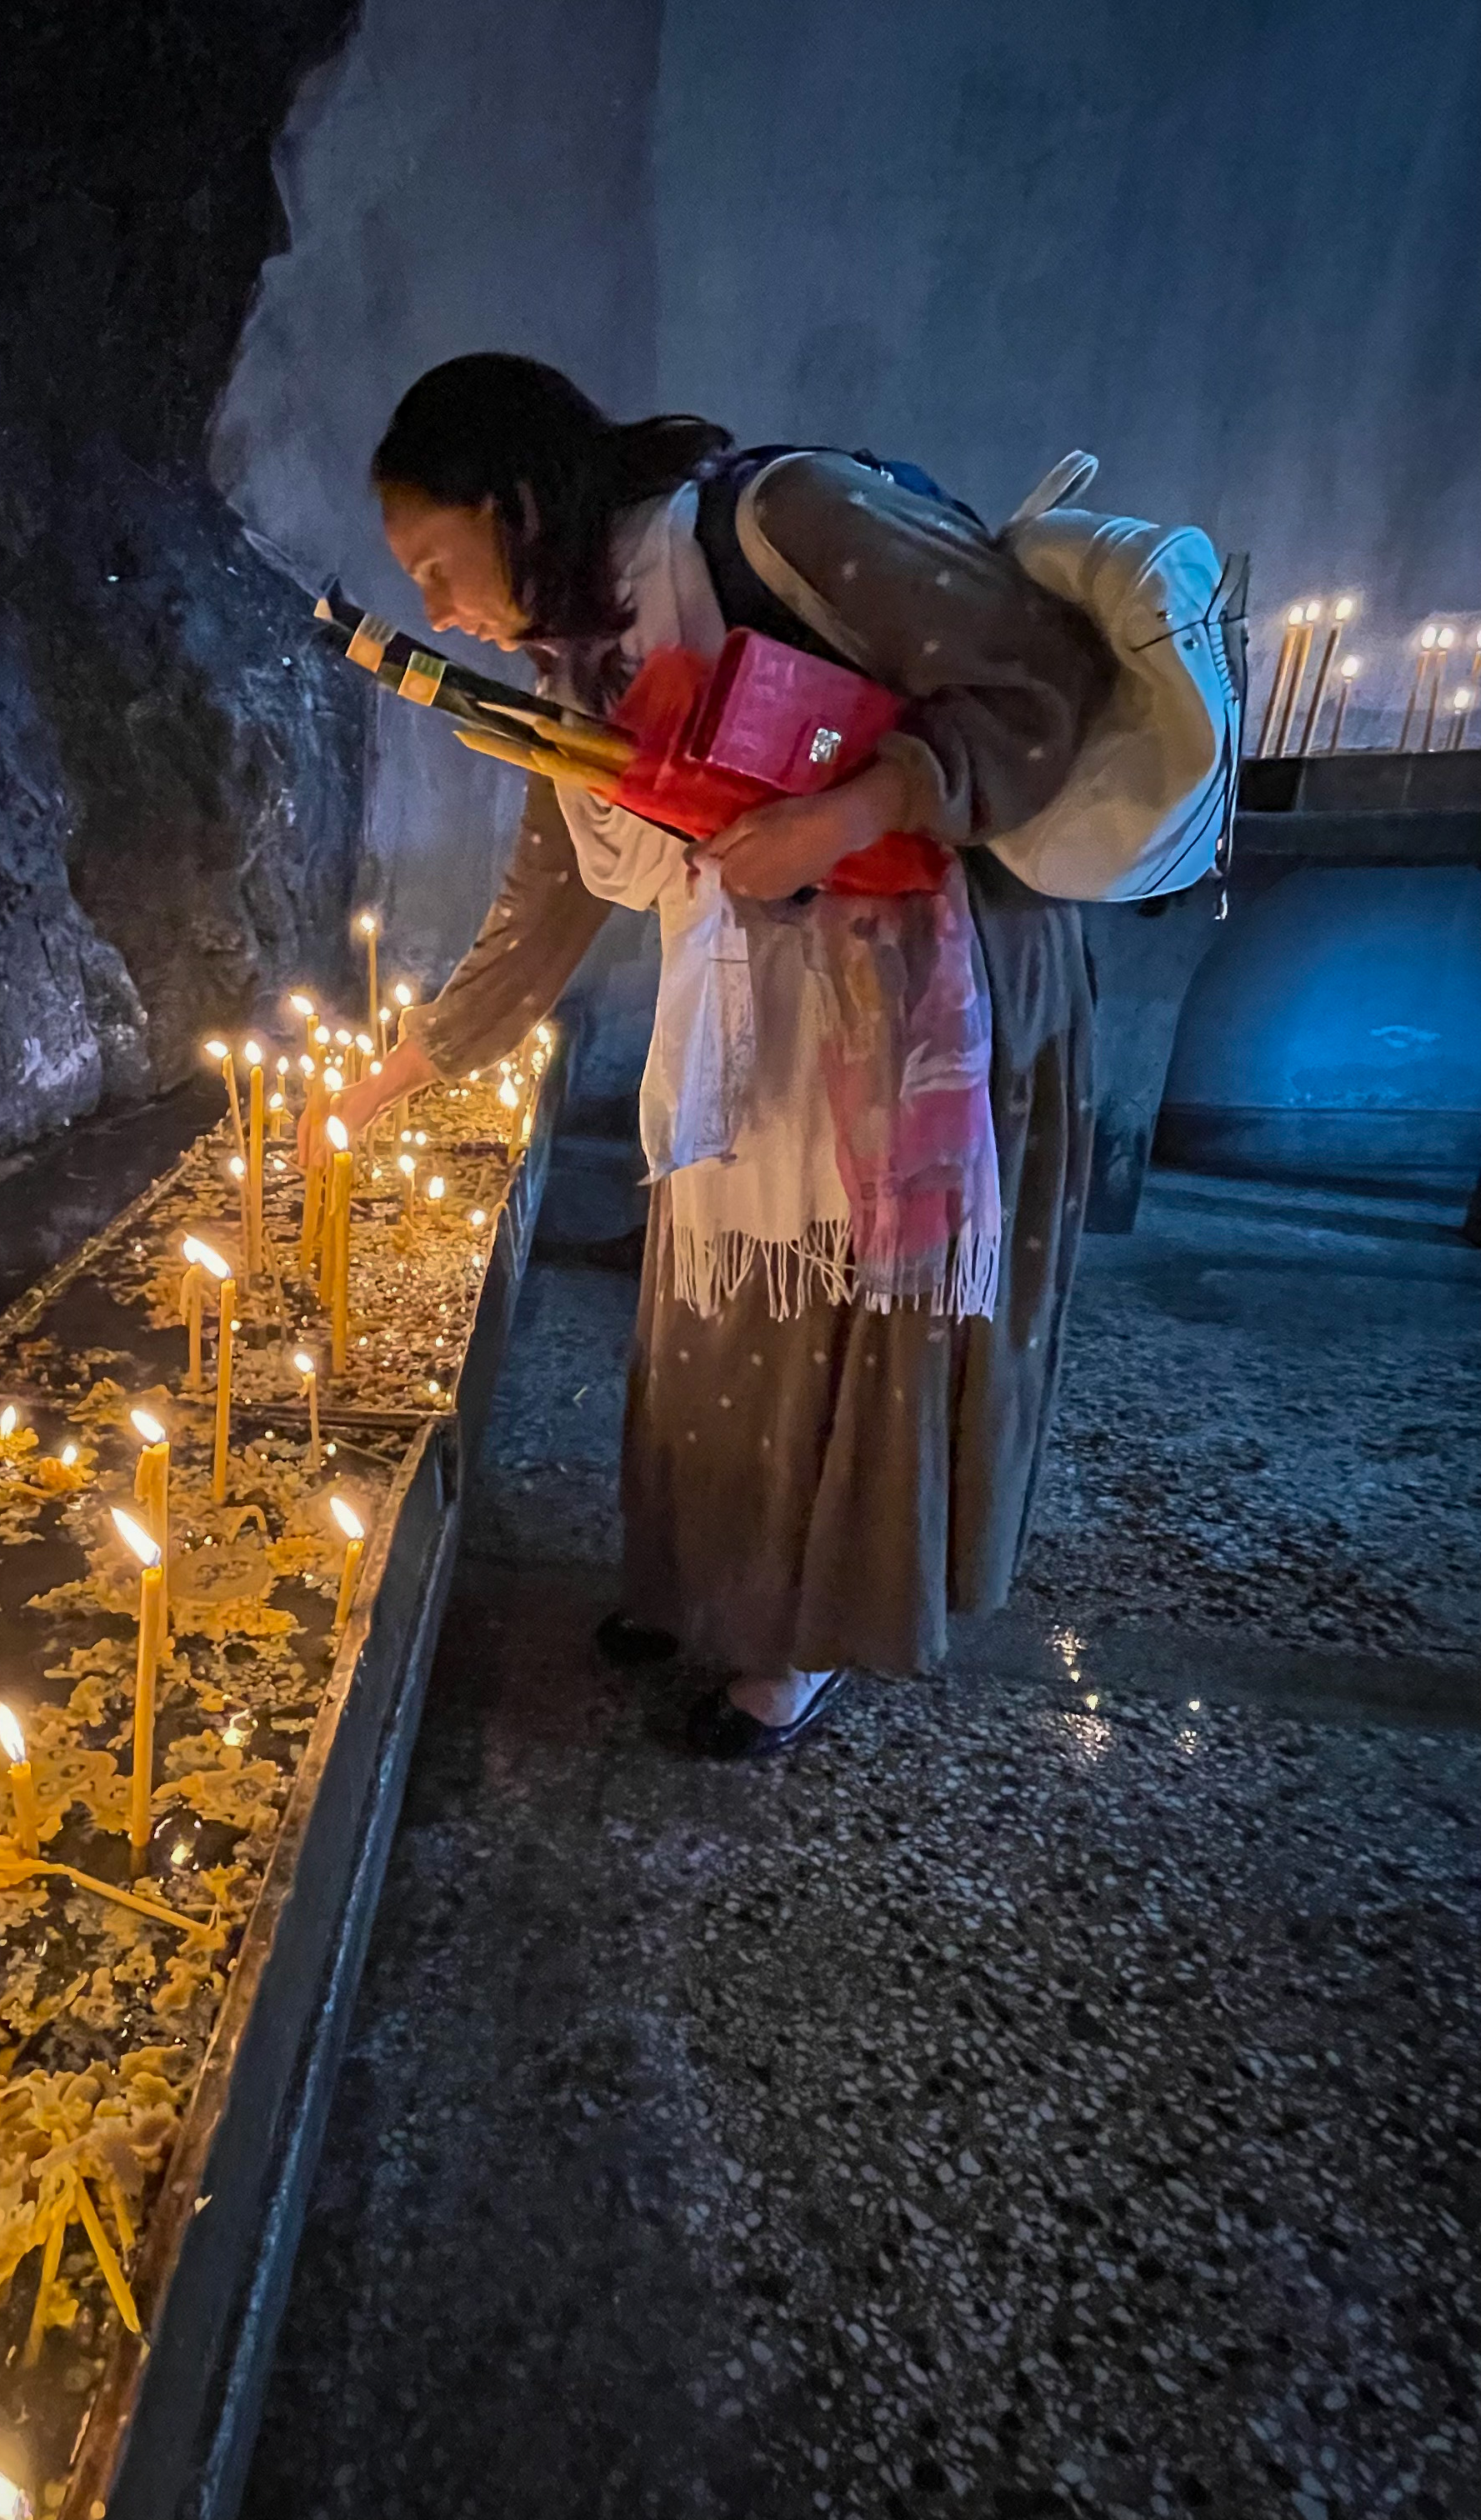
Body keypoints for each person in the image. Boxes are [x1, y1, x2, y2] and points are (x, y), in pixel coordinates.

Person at [313, 354, 1113, 1756]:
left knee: (846, 1320)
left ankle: (807, 1644)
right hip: (752, 1004)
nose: (436, 617)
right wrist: (398, 1074)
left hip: (922, 1006)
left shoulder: (784, 518)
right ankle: (716, 1595)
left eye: (438, 569)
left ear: (511, 503)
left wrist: (849, 809)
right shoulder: (580, 656)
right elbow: (553, 892)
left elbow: (1034, 683)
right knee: (727, 1314)